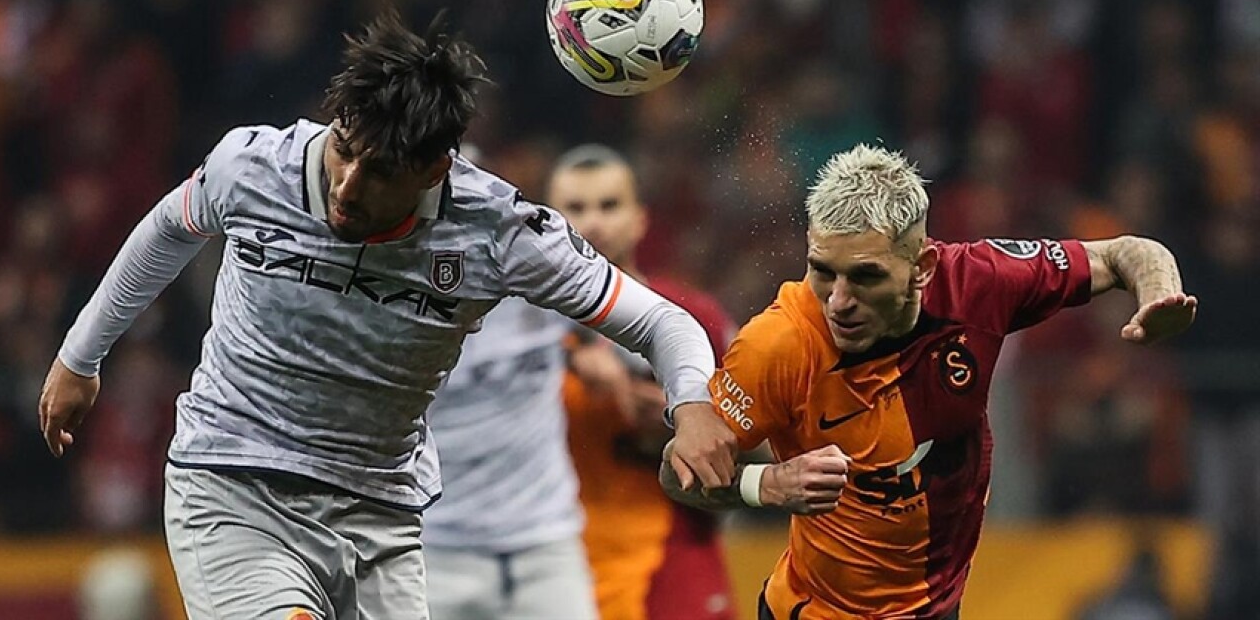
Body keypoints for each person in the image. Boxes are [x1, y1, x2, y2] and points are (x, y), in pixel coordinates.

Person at [36, 10, 737, 620]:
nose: (347, 185)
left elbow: (663, 322)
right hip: (236, 483)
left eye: (378, 172)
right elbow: (168, 229)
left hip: (379, 516)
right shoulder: (253, 167)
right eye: (343, 150)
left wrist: (693, 405)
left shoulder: (497, 231)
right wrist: (79, 357)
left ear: (434, 171)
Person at [658, 144, 1198, 619]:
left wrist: (1159, 292)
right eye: (822, 271)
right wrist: (767, 484)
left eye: (865, 276)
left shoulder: (979, 284)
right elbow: (677, 472)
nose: (838, 301)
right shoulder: (776, 345)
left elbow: (1126, 251)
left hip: (936, 607)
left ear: (922, 267)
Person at [551, 145, 739, 620]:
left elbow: (766, 447)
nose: (593, 222)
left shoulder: (695, 320)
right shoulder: (517, 331)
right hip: (552, 561)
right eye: (575, 208)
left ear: (640, 220)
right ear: (547, 224)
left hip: (673, 559)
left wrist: (686, 421)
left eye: (609, 205)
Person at [423, 288, 628, 620]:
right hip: (433, 545)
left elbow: (646, 317)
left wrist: (594, 347)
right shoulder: (398, 286)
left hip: (546, 543)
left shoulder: (547, 270)